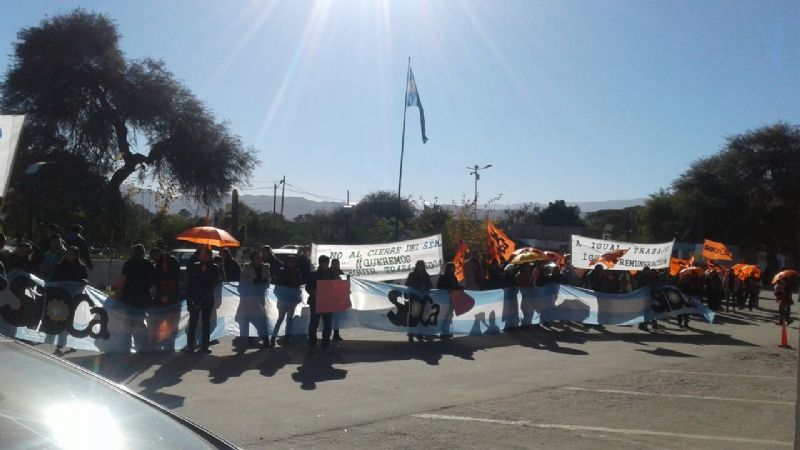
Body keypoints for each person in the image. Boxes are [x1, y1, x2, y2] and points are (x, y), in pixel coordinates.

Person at [50, 246, 88, 355]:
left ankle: (73, 343)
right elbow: (54, 280)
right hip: (62, 298)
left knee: (74, 320)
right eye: (67, 253)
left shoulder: (81, 267)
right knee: (63, 319)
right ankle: (60, 344)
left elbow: (85, 278)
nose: (68, 255)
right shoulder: (60, 266)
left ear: (76, 255)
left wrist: (83, 281)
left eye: (71, 253)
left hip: (75, 298)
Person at [184, 247, 221, 353]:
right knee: (193, 323)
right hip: (194, 298)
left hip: (207, 299)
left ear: (209, 256)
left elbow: (213, 283)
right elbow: (191, 283)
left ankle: (204, 346)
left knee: (206, 323)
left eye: (204, 254)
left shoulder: (214, 267)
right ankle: (190, 346)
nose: (201, 256)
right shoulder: (194, 266)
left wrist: (205, 273)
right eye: (201, 254)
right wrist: (191, 301)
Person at [119, 244, 156, 351]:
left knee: (128, 323)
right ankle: (141, 346)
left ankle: (126, 345)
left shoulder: (128, 263)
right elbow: (153, 282)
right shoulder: (148, 264)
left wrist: (118, 295)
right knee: (140, 322)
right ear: (143, 252)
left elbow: (122, 279)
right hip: (142, 297)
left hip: (128, 297)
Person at [149, 247, 181, 351]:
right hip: (165, 296)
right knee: (165, 321)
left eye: (154, 257)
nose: (154, 259)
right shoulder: (161, 262)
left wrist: (165, 286)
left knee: (168, 321)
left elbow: (173, 278)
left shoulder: (169, 261)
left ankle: (168, 345)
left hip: (169, 296)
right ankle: (166, 344)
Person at [239, 250, 271, 347]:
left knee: (262, 319)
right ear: (252, 258)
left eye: (260, 257)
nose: (259, 258)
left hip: (260, 297)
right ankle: (250, 339)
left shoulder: (266, 267)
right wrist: (253, 280)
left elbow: (269, 280)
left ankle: (265, 340)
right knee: (249, 318)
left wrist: (266, 281)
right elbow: (242, 280)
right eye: (256, 257)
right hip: (249, 298)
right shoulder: (247, 267)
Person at [306, 255, 336, 350]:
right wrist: (313, 292)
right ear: (320, 263)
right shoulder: (314, 274)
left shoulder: (331, 273)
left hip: (328, 302)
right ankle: (312, 343)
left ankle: (326, 343)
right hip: (316, 301)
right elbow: (308, 287)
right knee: (314, 323)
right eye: (324, 262)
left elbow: (335, 286)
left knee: (328, 324)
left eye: (327, 262)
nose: (326, 264)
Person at [271, 255, 300, 347]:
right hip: (284, 300)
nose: (291, 263)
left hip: (291, 300)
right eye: (290, 261)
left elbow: (298, 285)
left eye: (293, 261)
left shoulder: (296, 272)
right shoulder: (283, 272)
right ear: (287, 262)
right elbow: (277, 287)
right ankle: (273, 337)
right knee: (281, 319)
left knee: (289, 319)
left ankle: (287, 337)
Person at [405, 259, 433, 342]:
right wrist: (418, 286)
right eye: (419, 265)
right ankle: (411, 335)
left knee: (422, 316)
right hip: (414, 298)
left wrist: (426, 287)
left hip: (423, 297)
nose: (420, 267)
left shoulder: (426, 275)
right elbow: (408, 284)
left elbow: (430, 284)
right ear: (416, 266)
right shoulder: (412, 275)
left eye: (422, 265)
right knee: (413, 316)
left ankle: (419, 334)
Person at [437, 262, 462, 338]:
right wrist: (448, 289)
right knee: (445, 315)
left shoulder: (453, 276)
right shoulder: (443, 276)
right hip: (445, 297)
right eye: (452, 267)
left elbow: (456, 286)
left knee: (449, 315)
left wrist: (461, 288)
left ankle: (446, 331)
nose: (454, 268)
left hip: (453, 297)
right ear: (449, 268)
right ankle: (443, 332)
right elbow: (439, 286)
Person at [329, 258, 346, 341]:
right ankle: (328, 334)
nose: (336, 266)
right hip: (328, 298)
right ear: (331, 264)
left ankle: (336, 334)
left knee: (336, 318)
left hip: (337, 298)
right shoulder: (328, 272)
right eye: (334, 264)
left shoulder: (341, 273)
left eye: (337, 264)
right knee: (327, 318)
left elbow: (343, 284)